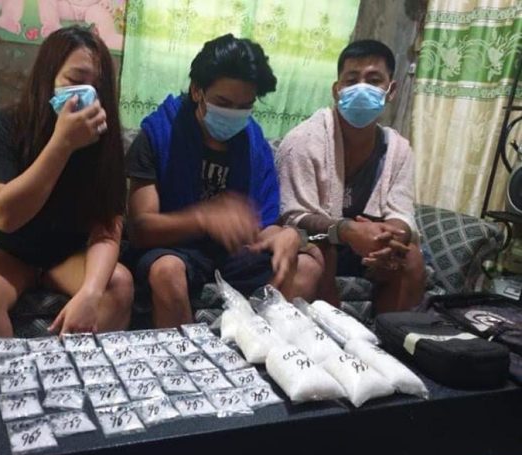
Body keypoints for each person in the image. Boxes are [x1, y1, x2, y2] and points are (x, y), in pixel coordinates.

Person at [0, 26, 133, 342]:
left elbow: (107, 226)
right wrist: (62, 145)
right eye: (75, 81)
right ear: (47, 79)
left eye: (97, 86)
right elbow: (4, 217)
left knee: (118, 283)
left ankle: (77, 383)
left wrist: (90, 292)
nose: (87, 93)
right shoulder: (0, 127)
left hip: (63, 255)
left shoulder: (105, 141)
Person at [126, 34, 323, 328]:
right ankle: (186, 364)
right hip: (174, 247)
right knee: (166, 271)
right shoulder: (157, 134)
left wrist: (286, 235)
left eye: (244, 106)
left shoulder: (254, 143)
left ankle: (268, 355)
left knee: (307, 264)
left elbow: (263, 224)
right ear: (197, 91)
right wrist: (205, 218)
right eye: (223, 102)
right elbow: (140, 229)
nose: (234, 114)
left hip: (232, 252)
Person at [277, 39, 425, 313]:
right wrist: (347, 231)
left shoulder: (398, 148)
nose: (361, 88)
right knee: (324, 252)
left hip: (369, 250)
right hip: (317, 242)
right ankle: (321, 342)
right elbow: (294, 216)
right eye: (352, 79)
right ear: (337, 90)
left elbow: (402, 213)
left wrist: (392, 237)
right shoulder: (303, 140)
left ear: (390, 90)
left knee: (411, 258)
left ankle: (388, 345)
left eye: (373, 80)